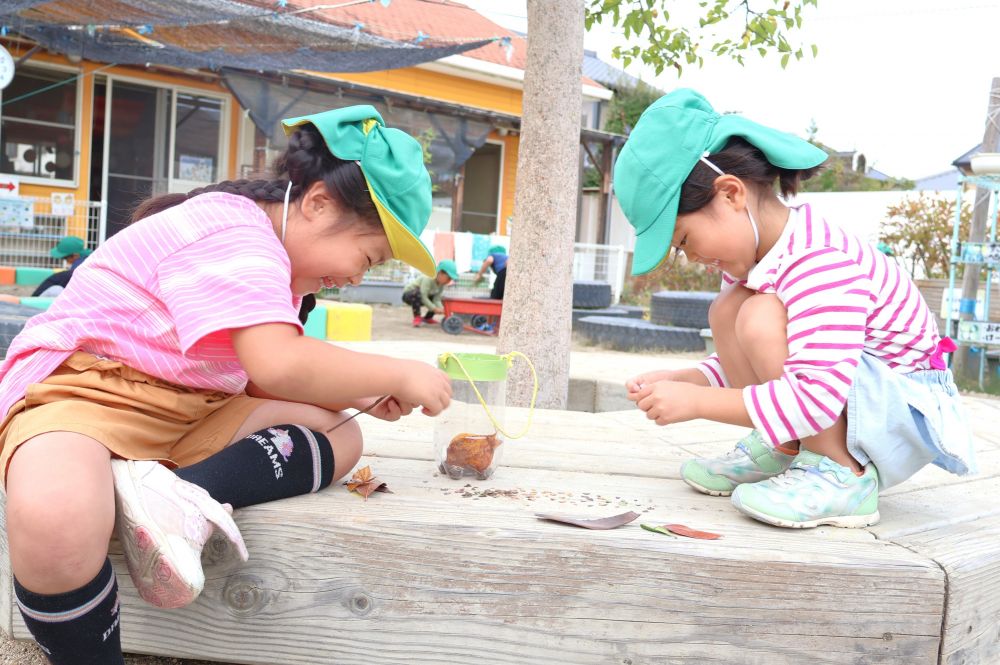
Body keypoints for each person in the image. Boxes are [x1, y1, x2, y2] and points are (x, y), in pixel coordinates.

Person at [0, 105, 452, 664]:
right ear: (317, 204)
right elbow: (276, 365)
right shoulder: (233, 228)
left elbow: (257, 381)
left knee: (341, 433)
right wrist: (396, 372)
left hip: (192, 410)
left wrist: (356, 395)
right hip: (88, 392)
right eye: (368, 256)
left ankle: (182, 494)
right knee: (54, 513)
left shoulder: (280, 272)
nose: (358, 277)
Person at [616, 89, 975, 530]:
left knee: (758, 314)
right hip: (853, 397)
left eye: (685, 241)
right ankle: (786, 447)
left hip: (901, 409)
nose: (691, 258)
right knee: (729, 308)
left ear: (731, 194)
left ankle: (842, 472)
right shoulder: (760, 260)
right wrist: (691, 378)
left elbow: (816, 391)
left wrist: (697, 401)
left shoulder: (820, 260)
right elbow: (772, 356)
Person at [401, 259, 457, 326]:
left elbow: (437, 299)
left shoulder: (441, 284)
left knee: (440, 299)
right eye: (449, 278)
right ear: (440, 273)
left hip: (422, 297)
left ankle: (427, 318)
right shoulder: (428, 278)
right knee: (417, 293)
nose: (449, 281)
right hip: (409, 295)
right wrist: (434, 308)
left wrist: (443, 310)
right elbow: (423, 296)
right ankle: (417, 317)